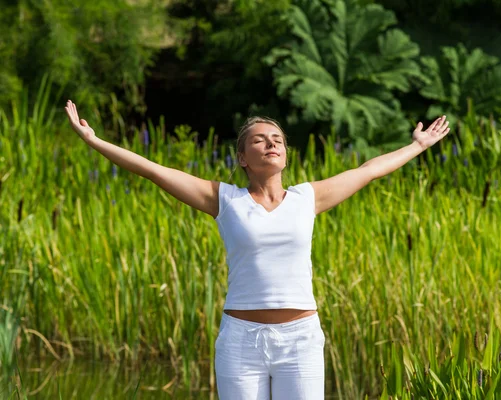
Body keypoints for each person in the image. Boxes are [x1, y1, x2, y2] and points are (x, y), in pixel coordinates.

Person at [64, 100, 450, 399]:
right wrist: (94, 141)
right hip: (241, 341)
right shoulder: (224, 199)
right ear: (242, 158)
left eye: (278, 139)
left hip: (300, 340)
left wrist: (418, 146)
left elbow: (369, 170)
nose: (271, 143)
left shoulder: (307, 198)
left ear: (285, 154)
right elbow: (153, 170)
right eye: (259, 139)